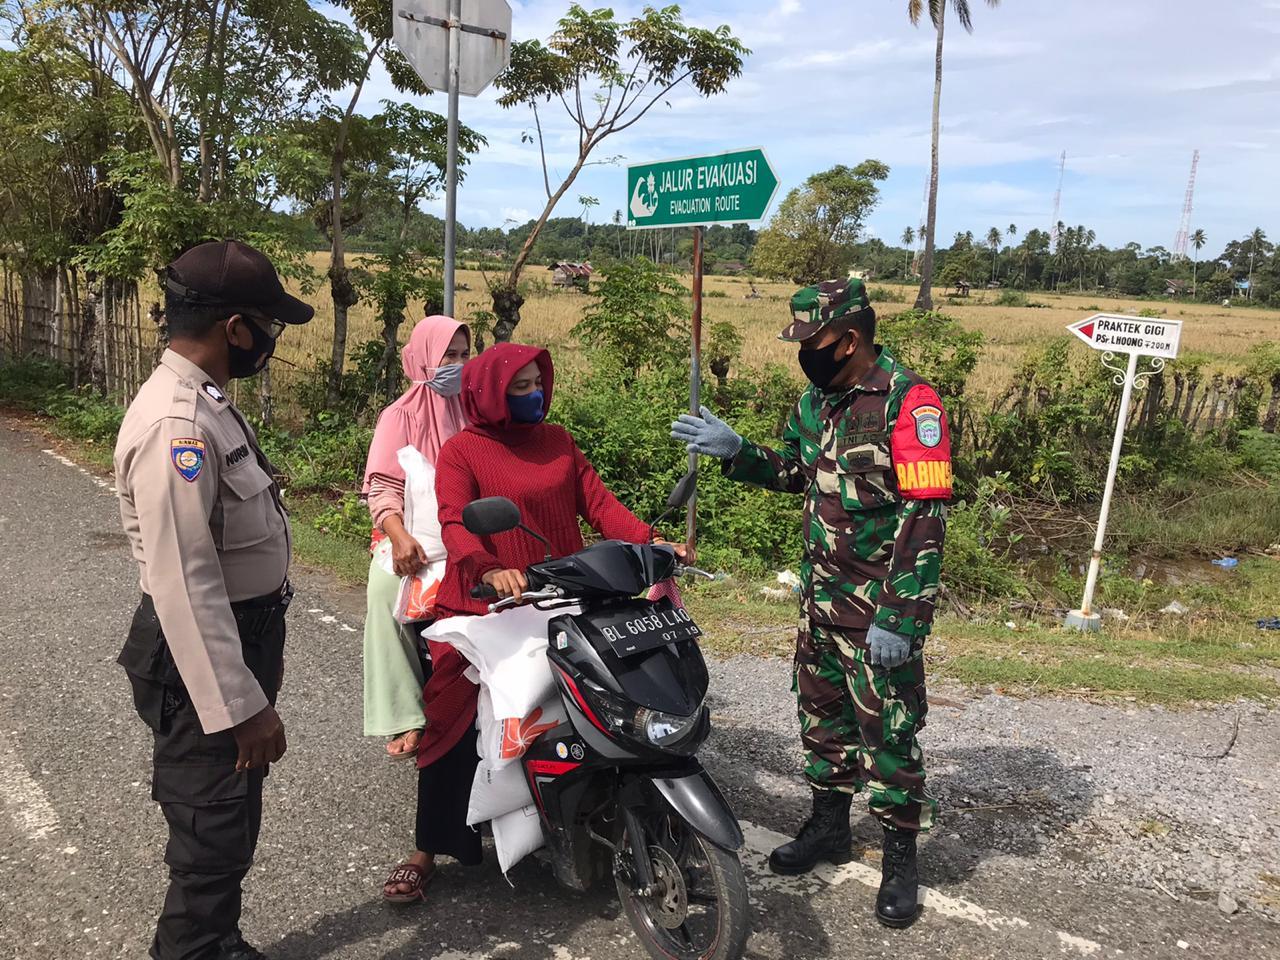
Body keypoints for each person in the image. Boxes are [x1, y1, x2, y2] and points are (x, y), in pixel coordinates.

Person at [671, 278, 950, 929]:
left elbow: (925, 516)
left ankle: (901, 861)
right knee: (822, 725)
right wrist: (741, 453)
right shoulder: (815, 404)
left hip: (878, 612)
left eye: (811, 340)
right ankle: (828, 828)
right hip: (820, 606)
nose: (803, 352)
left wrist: (902, 617)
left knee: (890, 736)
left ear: (848, 338)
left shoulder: (908, 402)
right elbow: (797, 473)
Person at [382, 343, 678, 901]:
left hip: (559, 592)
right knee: (452, 712)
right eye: (517, 387)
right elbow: (454, 522)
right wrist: (489, 568)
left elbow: (599, 504)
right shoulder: (462, 451)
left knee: (610, 692)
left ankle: (606, 813)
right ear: (487, 393)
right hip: (482, 600)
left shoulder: (559, 441)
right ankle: (427, 847)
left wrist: (649, 541)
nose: (532, 395)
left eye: (535, 382)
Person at [114, 240, 313, 960]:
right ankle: (194, 949)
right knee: (210, 830)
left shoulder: (206, 403)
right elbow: (184, 582)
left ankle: (218, 942)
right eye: (267, 323)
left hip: (238, 637)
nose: (269, 338)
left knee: (229, 822)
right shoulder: (179, 425)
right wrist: (241, 705)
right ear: (236, 327)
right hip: (202, 649)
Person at [361, 315, 470, 759]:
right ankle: (408, 713)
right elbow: (384, 486)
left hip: (471, 535)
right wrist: (400, 535)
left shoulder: (477, 407)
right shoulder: (400, 415)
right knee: (385, 592)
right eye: (449, 355)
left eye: (465, 355)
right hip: (412, 537)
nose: (458, 365)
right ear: (424, 358)